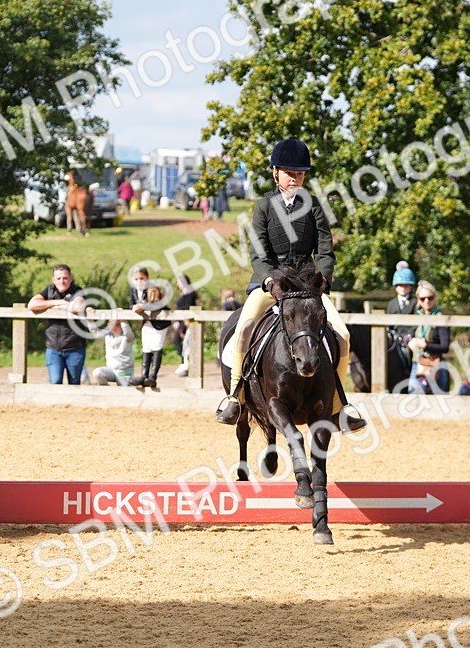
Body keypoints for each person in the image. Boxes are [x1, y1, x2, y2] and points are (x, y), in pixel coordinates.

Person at [215, 137, 365, 430]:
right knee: (244, 327)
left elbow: (325, 249)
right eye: (289, 173)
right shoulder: (263, 206)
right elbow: (258, 252)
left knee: (343, 334)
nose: (294, 178)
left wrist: (322, 279)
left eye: (299, 173)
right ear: (276, 173)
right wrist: (270, 279)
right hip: (271, 283)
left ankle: (339, 405)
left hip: (307, 287)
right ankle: (235, 395)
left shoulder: (314, 206)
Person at [27, 264, 87, 385]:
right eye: (58, 278)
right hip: (53, 347)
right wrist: (58, 302)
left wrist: (50, 305)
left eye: (65, 278)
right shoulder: (49, 290)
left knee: (74, 383)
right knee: (54, 382)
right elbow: (32, 305)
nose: (62, 281)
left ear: (70, 278)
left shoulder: (77, 291)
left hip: (75, 347)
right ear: (53, 279)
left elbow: (77, 307)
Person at [406, 281, 452, 394]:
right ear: (418, 299)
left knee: (440, 403)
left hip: (436, 365)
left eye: (430, 298)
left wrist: (426, 345)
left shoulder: (441, 317)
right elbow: (407, 334)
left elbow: (445, 347)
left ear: (435, 298)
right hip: (417, 364)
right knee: (413, 400)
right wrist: (409, 341)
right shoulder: (417, 316)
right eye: (423, 298)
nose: (426, 301)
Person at [130, 276, 169, 389]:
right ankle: (144, 375)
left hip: (159, 323)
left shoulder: (153, 288)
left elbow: (156, 302)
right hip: (147, 321)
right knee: (146, 347)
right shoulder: (137, 291)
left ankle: (153, 376)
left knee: (157, 346)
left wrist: (142, 306)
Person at [93, 319, 135, 386]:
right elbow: (95, 333)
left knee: (125, 394)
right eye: (110, 323)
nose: (111, 326)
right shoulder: (107, 334)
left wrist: (122, 319)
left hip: (124, 373)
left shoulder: (128, 337)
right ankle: (106, 391)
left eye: (115, 324)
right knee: (97, 373)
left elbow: (127, 331)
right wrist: (89, 320)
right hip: (111, 370)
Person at [385, 261, 419, 343]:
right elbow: (388, 323)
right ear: (396, 287)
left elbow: (417, 322)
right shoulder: (391, 303)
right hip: (394, 338)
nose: (403, 288)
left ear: (411, 287)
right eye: (400, 285)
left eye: (406, 285)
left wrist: (410, 334)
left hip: (410, 338)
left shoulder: (415, 302)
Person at [171, 273, 197, 376]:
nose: (178, 284)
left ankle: (186, 363)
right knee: (180, 342)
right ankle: (185, 362)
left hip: (186, 322)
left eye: (179, 281)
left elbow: (188, 307)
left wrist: (185, 323)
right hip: (181, 321)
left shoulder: (189, 293)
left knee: (179, 341)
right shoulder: (184, 293)